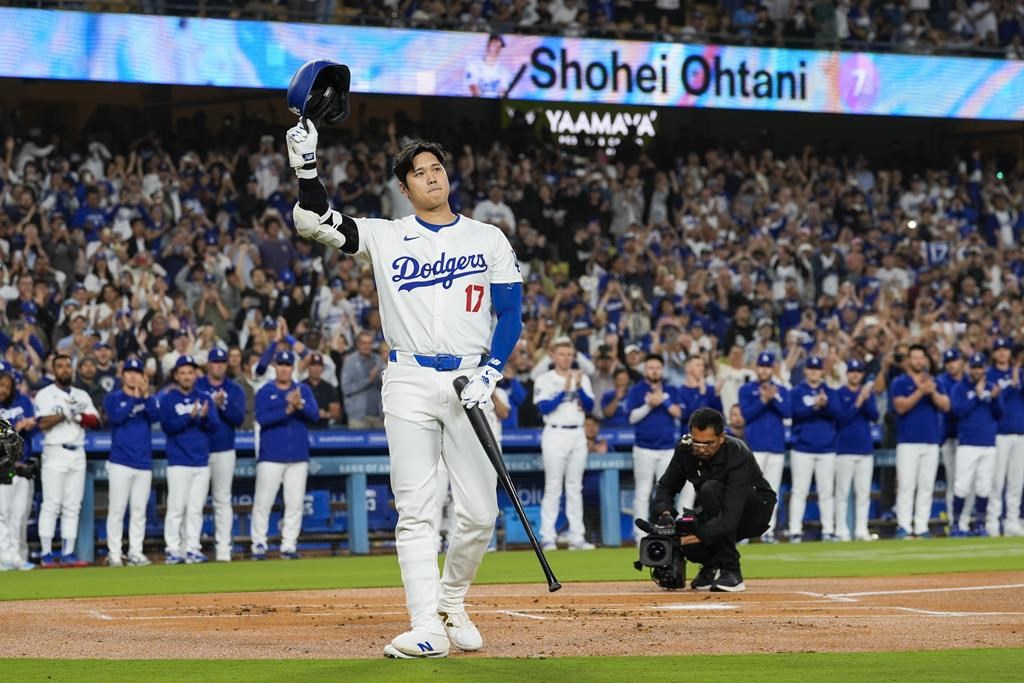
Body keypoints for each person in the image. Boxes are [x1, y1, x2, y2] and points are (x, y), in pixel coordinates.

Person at [287, 121, 523, 659]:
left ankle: (452, 601)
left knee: (481, 513)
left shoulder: (488, 237)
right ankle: (426, 626)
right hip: (409, 377)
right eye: (419, 172)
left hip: (470, 378)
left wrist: (492, 371)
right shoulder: (386, 234)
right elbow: (313, 222)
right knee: (415, 509)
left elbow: (510, 312)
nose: (432, 176)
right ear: (405, 187)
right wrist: (306, 167)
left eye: (436, 167)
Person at [652, 407, 776, 593]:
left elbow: (730, 516)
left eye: (708, 444)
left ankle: (732, 572)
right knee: (687, 533)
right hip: (716, 507)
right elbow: (666, 486)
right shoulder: (685, 450)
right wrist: (667, 516)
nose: (701, 449)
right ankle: (710, 567)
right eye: (697, 443)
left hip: (754, 510)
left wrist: (701, 534)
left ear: (722, 437)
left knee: (711, 490)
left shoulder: (737, 454)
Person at [34, 354, 101, 567]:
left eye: (67, 366)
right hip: (55, 451)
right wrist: (66, 414)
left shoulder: (81, 394)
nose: (64, 369)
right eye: (60, 366)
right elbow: (43, 423)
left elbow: (96, 422)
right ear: (54, 370)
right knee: (52, 504)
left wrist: (79, 416)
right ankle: (46, 554)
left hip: (78, 451)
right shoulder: (45, 394)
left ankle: (68, 553)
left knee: (73, 506)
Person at [252, 350, 319, 559]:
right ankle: (259, 544)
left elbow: (314, 416)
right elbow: (262, 418)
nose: (283, 368)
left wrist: (300, 405)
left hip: (298, 456)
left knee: (295, 502)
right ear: (275, 367)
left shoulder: (303, 389)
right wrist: (287, 410)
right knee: (264, 502)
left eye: (287, 365)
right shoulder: (265, 390)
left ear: (292, 368)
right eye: (280, 364)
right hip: (271, 455)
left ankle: (289, 545)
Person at [534, 338, 596, 551]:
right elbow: (544, 408)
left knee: (574, 487)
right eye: (562, 354)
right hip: (555, 433)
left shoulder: (582, 378)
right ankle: (548, 536)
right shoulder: (545, 379)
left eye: (570, 354)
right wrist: (565, 389)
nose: (566, 358)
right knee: (553, 486)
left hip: (577, 434)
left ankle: (576, 537)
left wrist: (577, 386)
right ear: (553, 356)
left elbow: (589, 405)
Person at [159, 355, 221, 564]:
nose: (186, 376)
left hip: (201, 461)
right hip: (178, 461)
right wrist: (190, 416)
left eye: (190, 372)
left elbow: (214, 426)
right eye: (183, 372)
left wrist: (203, 417)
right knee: (176, 508)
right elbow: (168, 427)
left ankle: (192, 547)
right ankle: (173, 549)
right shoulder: (168, 398)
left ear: (196, 375)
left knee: (195, 508)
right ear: (176, 375)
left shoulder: (204, 397)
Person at [102, 358, 160, 567]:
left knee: (139, 511)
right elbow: (116, 418)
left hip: (143, 462)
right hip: (120, 461)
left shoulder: (148, 399)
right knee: (117, 510)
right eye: (129, 372)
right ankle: (115, 554)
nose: (133, 376)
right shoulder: (113, 398)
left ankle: (136, 551)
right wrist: (135, 400)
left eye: (137, 372)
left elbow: (155, 416)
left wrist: (145, 396)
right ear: (122, 375)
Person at [890, 344, 950, 539]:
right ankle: (904, 525)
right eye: (914, 357)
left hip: (931, 440)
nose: (917, 361)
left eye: (920, 357)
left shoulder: (934, 381)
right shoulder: (900, 382)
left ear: (925, 360)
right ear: (908, 361)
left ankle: (922, 525)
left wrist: (931, 392)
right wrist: (920, 392)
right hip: (908, 441)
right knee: (906, 484)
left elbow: (946, 405)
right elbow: (900, 407)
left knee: (926, 485)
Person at [196, 347, 247, 562]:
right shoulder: (198, 386)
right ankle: (191, 547)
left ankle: (224, 548)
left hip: (225, 448)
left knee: (222, 500)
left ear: (226, 365)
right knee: (195, 502)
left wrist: (221, 406)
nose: (218, 365)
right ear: (208, 364)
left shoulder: (234, 389)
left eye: (222, 362)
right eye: (215, 362)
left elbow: (238, 418)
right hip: (199, 449)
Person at [626, 354, 683, 542]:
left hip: (667, 449)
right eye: (650, 367)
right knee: (642, 492)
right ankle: (640, 535)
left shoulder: (671, 389)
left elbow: (679, 413)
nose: (654, 371)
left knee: (665, 494)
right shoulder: (636, 390)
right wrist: (649, 404)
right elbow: (632, 417)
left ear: (662, 369)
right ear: (645, 370)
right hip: (644, 448)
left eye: (657, 367)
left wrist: (663, 401)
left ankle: (666, 531)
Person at [738, 352, 790, 542]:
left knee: (771, 491)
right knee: (748, 490)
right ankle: (743, 532)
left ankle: (768, 531)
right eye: (761, 366)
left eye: (768, 367)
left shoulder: (781, 390)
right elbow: (746, 415)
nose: (764, 370)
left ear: (773, 368)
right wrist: (763, 400)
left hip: (776, 447)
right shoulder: (746, 389)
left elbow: (788, 412)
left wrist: (774, 397)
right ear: (756, 367)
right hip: (755, 447)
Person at [788, 356, 840, 543]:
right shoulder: (797, 392)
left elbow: (838, 413)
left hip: (826, 448)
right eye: (811, 369)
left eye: (817, 369)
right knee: (799, 491)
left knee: (826, 492)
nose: (814, 372)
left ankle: (828, 529)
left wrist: (825, 406)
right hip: (803, 448)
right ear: (805, 371)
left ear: (822, 371)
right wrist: (815, 406)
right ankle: (795, 530)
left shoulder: (830, 391)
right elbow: (793, 413)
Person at [950, 353, 1001, 537]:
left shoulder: (991, 386)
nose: (977, 371)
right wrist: (978, 396)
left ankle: (979, 524)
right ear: (968, 368)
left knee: (984, 487)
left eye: (980, 367)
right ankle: (956, 524)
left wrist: (994, 398)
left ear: (984, 369)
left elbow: (999, 413)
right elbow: (958, 412)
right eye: (974, 367)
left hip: (988, 442)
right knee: (962, 486)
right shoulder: (960, 388)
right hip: (968, 443)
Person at [833, 359, 879, 542]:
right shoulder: (839, 393)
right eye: (852, 371)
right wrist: (858, 402)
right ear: (847, 373)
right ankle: (841, 530)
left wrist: (866, 400)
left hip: (864, 449)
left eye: (858, 371)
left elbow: (874, 415)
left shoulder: (868, 393)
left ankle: (861, 530)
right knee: (843, 493)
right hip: (844, 449)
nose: (855, 374)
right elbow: (841, 419)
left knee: (863, 493)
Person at [0, 364, 37, 570]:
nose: (3, 389)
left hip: (22, 465)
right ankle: (3, 556)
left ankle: (15, 555)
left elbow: (34, 423)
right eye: (0, 385)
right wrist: (16, 426)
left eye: (7, 385)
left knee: (19, 514)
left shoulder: (23, 401)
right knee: (2, 513)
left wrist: (27, 425)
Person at [987, 338, 1024, 537]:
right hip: (1000, 433)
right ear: (993, 353)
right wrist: (1011, 385)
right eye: (998, 349)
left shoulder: (1020, 373)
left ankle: (1012, 521)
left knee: (1016, 481)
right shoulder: (990, 375)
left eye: (1005, 349)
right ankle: (993, 521)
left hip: (1021, 433)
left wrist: (1018, 380)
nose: (1002, 353)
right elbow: (994, 402)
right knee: (997, 480)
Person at [936, 349, 966, 531]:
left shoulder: (969, 380)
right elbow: (950, 408)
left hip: (969, 438)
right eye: (948, 362)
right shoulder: (942, 381)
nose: (951, 365)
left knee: (970, 483)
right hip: (949, 437)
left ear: (961, 361)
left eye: (954, 360)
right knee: (954, 482)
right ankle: (953, 521)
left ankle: (967, 520)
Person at [341, 331, 385, 429]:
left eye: (369, 343)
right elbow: (346, 388)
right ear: (358, 344)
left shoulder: (378, 360)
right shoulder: (350, 362)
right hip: (358, 417)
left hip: (379, 416)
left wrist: (378, 379)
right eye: (363, 343)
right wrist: (368, 380)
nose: (366, 346)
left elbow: (384, 387)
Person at [465, 34, 511, 98]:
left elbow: (503, 91)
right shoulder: (473, 66)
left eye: (499, 46)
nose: (497, 48)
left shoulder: (504, 71)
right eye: (494, 44)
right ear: (488, 45)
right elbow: (473, 88)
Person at [303, 352, 342, 428]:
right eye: (313, 365)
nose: (316, 369)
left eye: (319, 366)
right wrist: (312, 412)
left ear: (323, 368)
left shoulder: (329, 388)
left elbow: (336, 412)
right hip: (304, 427)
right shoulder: (301, 386)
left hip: (323, 429)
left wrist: (326, 414)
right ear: (308, 367)